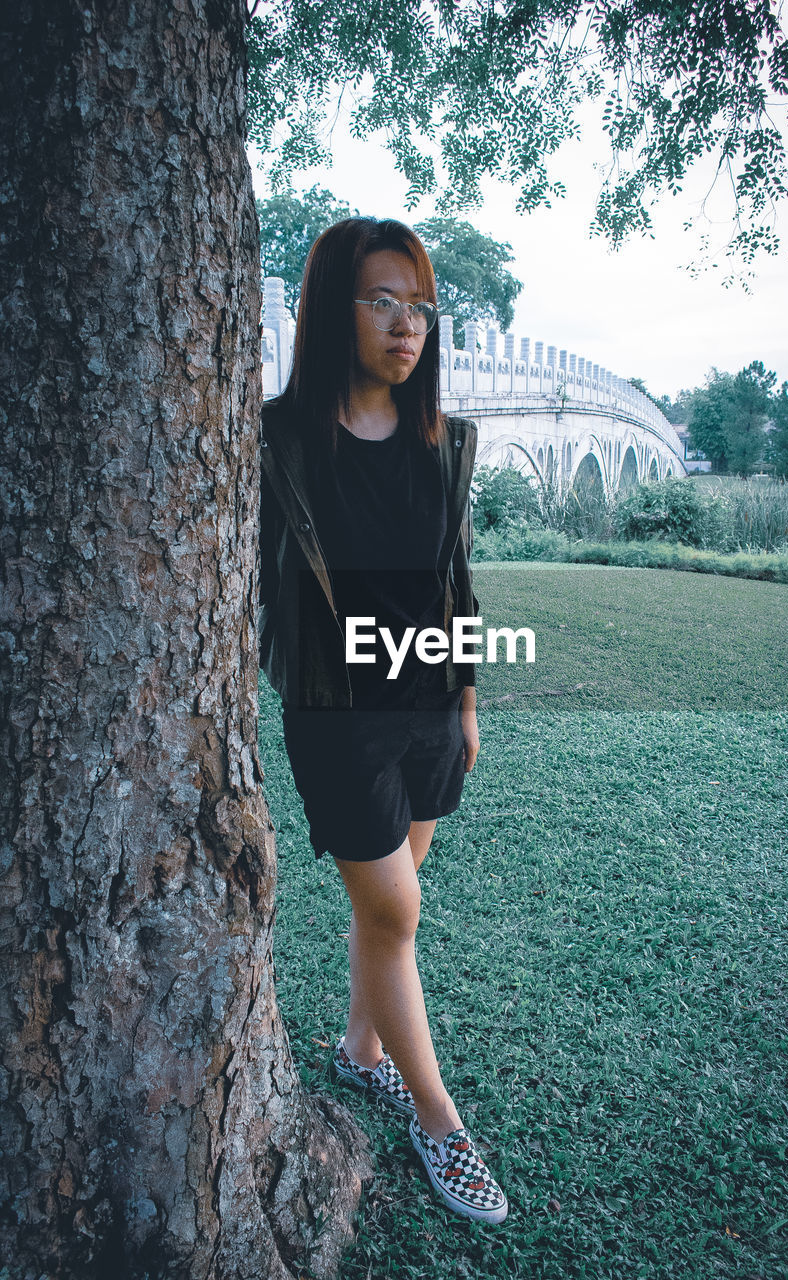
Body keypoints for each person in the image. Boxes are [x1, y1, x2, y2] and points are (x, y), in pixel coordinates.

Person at [258, 216, 508, 1224]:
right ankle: (441, 1124)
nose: (408, 324)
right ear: (333, 310)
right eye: (382, 300)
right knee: (395, 911)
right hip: (339, 715)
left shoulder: (441, 441)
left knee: (386, 908)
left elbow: (454, 580)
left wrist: (466, 696)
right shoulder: (278, 440)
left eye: (421, 305)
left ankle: (361, 1051)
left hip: (428, 704)